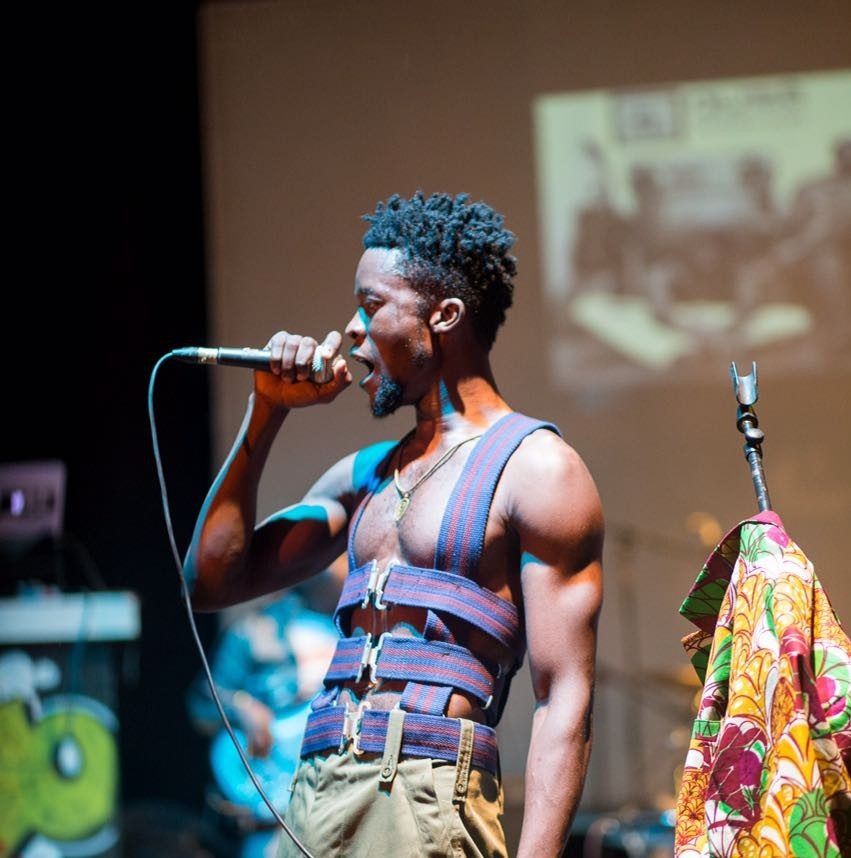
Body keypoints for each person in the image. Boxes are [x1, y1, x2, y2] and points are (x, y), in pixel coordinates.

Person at [184, 190, 605, 858]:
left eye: (371, 305)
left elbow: (564, 701)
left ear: (445, 315)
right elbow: (211, 580)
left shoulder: (538, 470)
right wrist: (267, 411)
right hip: (314, 791)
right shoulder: (366, 476)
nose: (352, 330)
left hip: (422, 797)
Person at [186, 574, 340, 858]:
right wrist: (243, 706)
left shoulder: (341, 625)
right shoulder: (252, 629)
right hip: (272, 801)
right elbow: (203, 701)